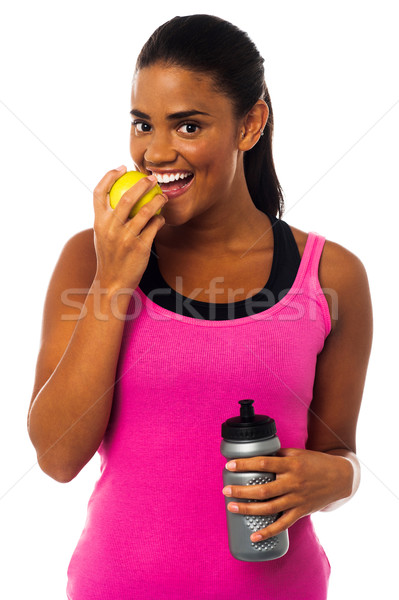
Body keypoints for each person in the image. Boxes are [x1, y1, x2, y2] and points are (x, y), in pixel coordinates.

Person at [27, 14, 373, 600]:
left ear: (250, 123)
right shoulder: (90, 260)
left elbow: (337, 455)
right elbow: (58, 457)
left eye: (188, 126)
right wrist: (114, 282)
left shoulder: (331, 275)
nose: (156, 152)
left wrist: (339, 477)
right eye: (142, 124)